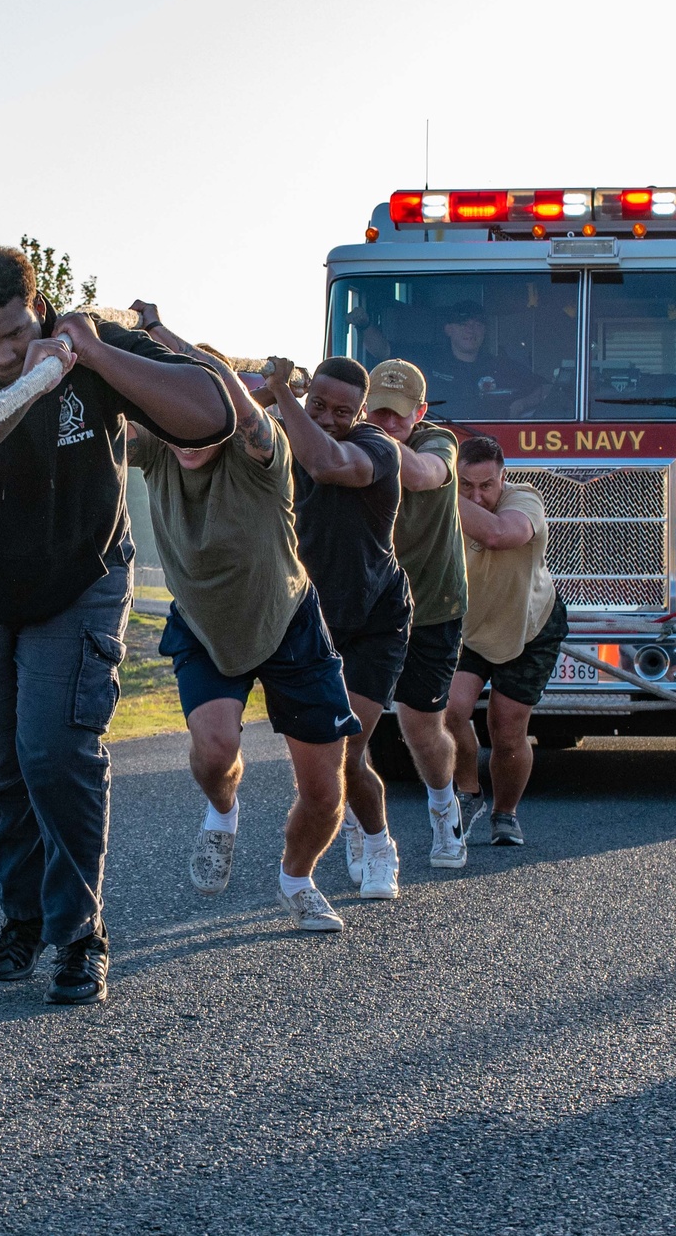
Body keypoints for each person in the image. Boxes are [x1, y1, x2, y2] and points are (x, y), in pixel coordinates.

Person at [0, 248, 233, 1005]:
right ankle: (24, 917)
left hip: (80, 574)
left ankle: (79, 931)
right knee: (2, 761)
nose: (4, 353)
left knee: (54, 750)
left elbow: (213, 411)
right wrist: (19, 392)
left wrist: (95, 357)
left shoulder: (86, 341)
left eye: (15, 333)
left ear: (36, 305)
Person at [121, 304, 363, 932]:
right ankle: (222, 812)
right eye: (174, 418)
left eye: (201, 417)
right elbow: (104, 411)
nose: (187, 434)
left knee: (324, 792)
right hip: (204, 622)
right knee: (214, 751)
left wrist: (172, 339)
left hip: (287, 618)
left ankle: (296, 878)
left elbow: (245, 412)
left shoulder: (264, 450)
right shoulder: (151, 450)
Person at [256, 356, 408, 902]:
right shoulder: (281, 432)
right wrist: (267, 398)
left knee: (348, 749)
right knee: (327, 756)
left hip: (375, 619)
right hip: (308, 618)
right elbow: (220, 419)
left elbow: (324, 465)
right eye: (317, 404)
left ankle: (379, 843)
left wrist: (286, 400)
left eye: (342, 411)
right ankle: (342, 824)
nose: (326, 418)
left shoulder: (377, 448)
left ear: (361, 412)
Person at [361, 360, 471, 870]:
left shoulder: (438, 443)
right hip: (362, 607)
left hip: (432, 605)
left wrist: (371, 441)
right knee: (345, 730)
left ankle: (443, 805)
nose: (386, 423)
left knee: (421, 728)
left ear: (421, 413)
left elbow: (427, 475)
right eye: (377, 412)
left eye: (398, 416)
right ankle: (362, 831)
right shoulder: (345, 437)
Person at [445, 436, 568, 847]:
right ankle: (469, 791)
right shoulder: (443, 503)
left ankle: (505, 814)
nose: (477, 496)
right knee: (449, 711)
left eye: (487, 486)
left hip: (529, 625)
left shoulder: (525, 499)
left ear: (504, 479)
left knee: (507, 729)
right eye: (465, 485)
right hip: (470, 623)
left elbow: (500, 535)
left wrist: (439, 489)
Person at [419, 302, 548, 419]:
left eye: (477, 324)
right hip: (442, 437)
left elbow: (545, 388)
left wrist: (521, 404)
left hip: (494, 438)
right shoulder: (430, 368)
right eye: (463, 324)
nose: (470, 330)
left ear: (484, 331)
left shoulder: (501, 366)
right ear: (448, 329)